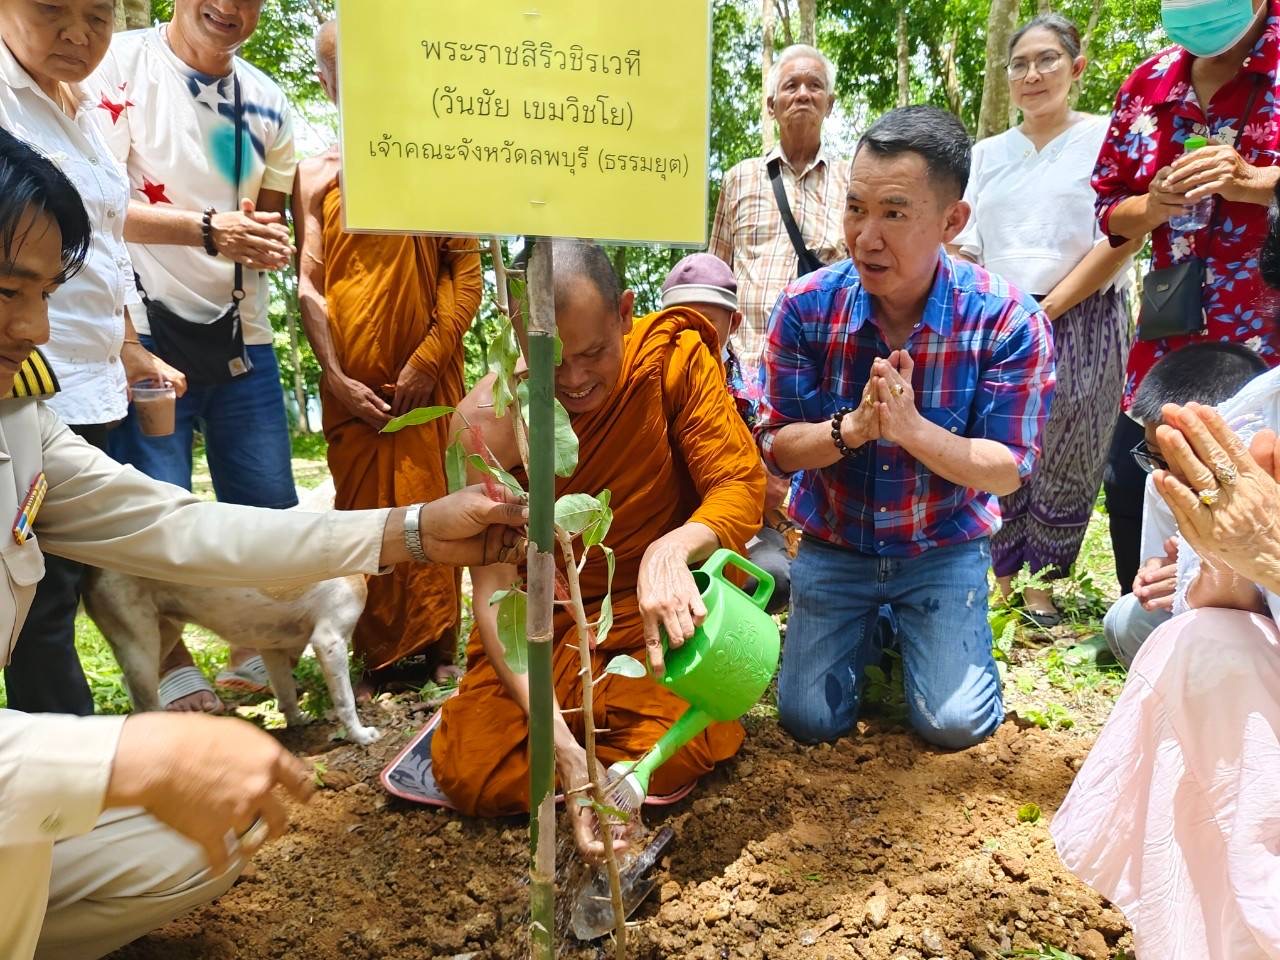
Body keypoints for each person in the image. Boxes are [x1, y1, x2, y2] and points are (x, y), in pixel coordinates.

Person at [0, 128, 526, 960]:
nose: (34, 328)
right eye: (8, 291)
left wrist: (413, 530)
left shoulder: (20, 426)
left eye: (46, 294)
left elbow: (184, 528)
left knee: (210, 830)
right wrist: (125, 754)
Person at [430, 240, 764, 856]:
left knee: (692, 735)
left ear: (625, 314)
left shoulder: (670, 359)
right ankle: (596, 757)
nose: (576, 381)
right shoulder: (486, 425)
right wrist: (563, 751)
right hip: (547, 626)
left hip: (648, 615)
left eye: (593, 353)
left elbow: (739, 485)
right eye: (552, 362)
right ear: (517, 334)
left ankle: (611, 753)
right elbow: (495, 597)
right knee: (468, 767)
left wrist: (672, 550)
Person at [756, 106, 1056, 749]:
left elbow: (1008, 467)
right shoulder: (806, 308)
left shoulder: (1007, 320)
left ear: (952, 221)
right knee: (809, 720)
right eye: (855, 208)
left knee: (955, 724)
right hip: (836, 542)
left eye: (894, 213)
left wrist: (913, 430)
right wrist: (853, 429)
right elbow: (776, 446)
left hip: (942, 547)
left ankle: (911, 627)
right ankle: (881, 625)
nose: (866, 237)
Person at [88, 0, 302, 711]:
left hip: (243, 332)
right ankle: (172, 663)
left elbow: (269, 216)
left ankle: (254, 644)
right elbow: (93, 203)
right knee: (155, 507)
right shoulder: (116, 66)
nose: (228, 7)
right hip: (137, 326)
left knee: (268, 505)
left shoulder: (269, 101)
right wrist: (208, 230)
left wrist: (267, 241)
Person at [0, 0, 187, 716]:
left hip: (90, 381)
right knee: (38, 599)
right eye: (52, 9)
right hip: (27, 383)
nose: (78, 34)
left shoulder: (79, 106)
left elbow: (105, 242)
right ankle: (65, 759)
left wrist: (130, 346)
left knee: (60, 584)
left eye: (98, 16)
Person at [295, 21, 483, 688]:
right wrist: (335, 378)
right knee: (363, 519)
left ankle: (440, 646)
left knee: (434, 506)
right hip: (355, 399)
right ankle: (378, 651)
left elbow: (465, 273)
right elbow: (309, 283)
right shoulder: (315, 175)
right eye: (343, 71)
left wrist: (429, 359)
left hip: (424, 389)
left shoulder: (436, 162)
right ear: (326, 82)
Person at [954, 14, 1139, 625]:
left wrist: (1050, 306)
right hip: (999, 322)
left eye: (1047, 60)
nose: (1032, 75)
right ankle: (1005, 580)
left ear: (1076, 67)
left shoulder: (1105, 137)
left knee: (1072, 449)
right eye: (1019, 64)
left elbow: (1122, 235)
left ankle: (1044, 588)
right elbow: (966, 244)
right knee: (1003, 441)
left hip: (1085, 314)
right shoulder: (986, 154)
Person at [1093, 0, 1280, 596]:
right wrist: (1154, 205)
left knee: (1256, 470)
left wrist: (1257, 181)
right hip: (1172, 324)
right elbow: (1110, 210)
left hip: (1267, 330)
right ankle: (1148, 613)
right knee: (1137, 475)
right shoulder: (1147, 85)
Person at [1101, 341, 1266, 666]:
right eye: (1158, 456)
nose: (1175, 474)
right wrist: (1163, 578)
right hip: (1214, 619)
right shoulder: (1161, 481)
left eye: (1190, 455)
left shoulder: (1267, 480)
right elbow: (1165, 578)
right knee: (1128, 620)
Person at [658, 253, 790, 613]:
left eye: (705, 323)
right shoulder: (647, 382)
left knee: (771, 576)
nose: (691, 336)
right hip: (661, 525)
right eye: (680, 322)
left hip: (739, 528)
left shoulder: (754, 394)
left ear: (734, 323)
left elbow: (771, 490)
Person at [709, 43, 849, 370]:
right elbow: (716, 276)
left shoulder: (852, 182)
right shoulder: (739, 179)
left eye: (814, 85)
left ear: (829, 104)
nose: (803, 95)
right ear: (771, 106)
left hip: (821, 370)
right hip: (746, 368)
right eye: (791, 86)